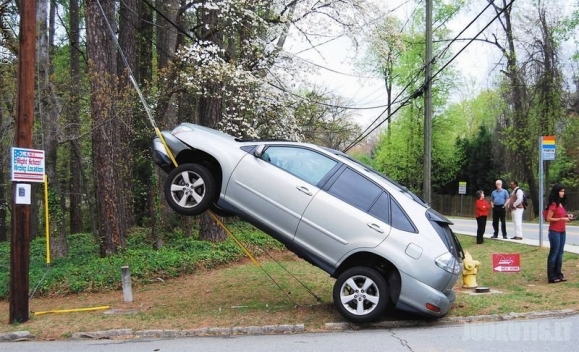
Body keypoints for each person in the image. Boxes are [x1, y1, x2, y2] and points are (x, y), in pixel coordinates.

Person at [545, 184, 573, 283]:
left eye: (563, 191)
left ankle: (558, 274)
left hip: (562, 231)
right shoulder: (553, 204)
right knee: (554, 253)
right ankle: (551, 276)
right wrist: (562, 218)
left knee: (560, 253)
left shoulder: (560, 204)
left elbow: (561, 214)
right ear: (556, 192)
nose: (562, 193)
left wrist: (567, 215)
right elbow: (548, 218)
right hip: (554, 232)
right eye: (561, 191)